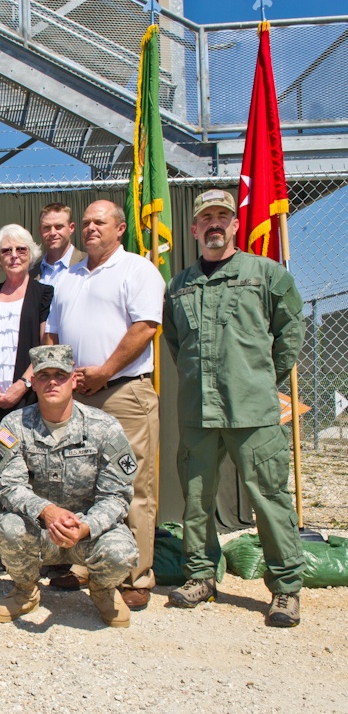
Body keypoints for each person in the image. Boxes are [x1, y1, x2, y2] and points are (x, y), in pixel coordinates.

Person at [163, 189, 306, 627]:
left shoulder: (266, 275)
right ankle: (202, 576)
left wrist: (257, 381)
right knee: (197, 501)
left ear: (235, 225)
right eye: (206, 218)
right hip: (198, 411)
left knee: (270, 498)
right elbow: (176, 343)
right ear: (194, 228)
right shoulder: (179, 285)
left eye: (223, 216)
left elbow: (290, 335)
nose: (215, 225)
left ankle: (285, 588)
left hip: (253, 411)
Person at [44, 199, 164, 610]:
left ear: (120, 227)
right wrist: (63, 376)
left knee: (132, 482)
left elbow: (146, 326)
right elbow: (53, 334)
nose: (93, 228)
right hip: (78, 395)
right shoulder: (69, 278)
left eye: (102, 222)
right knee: (81, 481)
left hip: (123, 391)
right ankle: (86, 563)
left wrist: (105, 371)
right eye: (89, 223)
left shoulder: (137, 269)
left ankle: (136, 573)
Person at [0, 345, 138, 628]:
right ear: (33, 382)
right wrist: (47, 512)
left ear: (73, 380)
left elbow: (117, 495)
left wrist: (85, 526)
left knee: (121, 550)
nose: (52, 382)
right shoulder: (14, 425)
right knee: (7, 527)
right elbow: (8, 485)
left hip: (86, 532)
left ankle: (103, 590)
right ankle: (25, 590)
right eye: (43, 375)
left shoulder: (104, 427)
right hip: (39, 530)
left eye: (60, 374)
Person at [0, 225, 53, 427]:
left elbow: (46, 347)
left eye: (21, 249)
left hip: (29, 400)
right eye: (6, 250)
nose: (14, 255)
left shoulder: (44, 294)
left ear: (31, 254)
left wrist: (22, 386)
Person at [31, 203, 86, 290]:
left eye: (58, 227)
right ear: (40, 231)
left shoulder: (88, 263)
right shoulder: (31, 274)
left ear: (71, 228)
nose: (52, 232)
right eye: (47, 227)